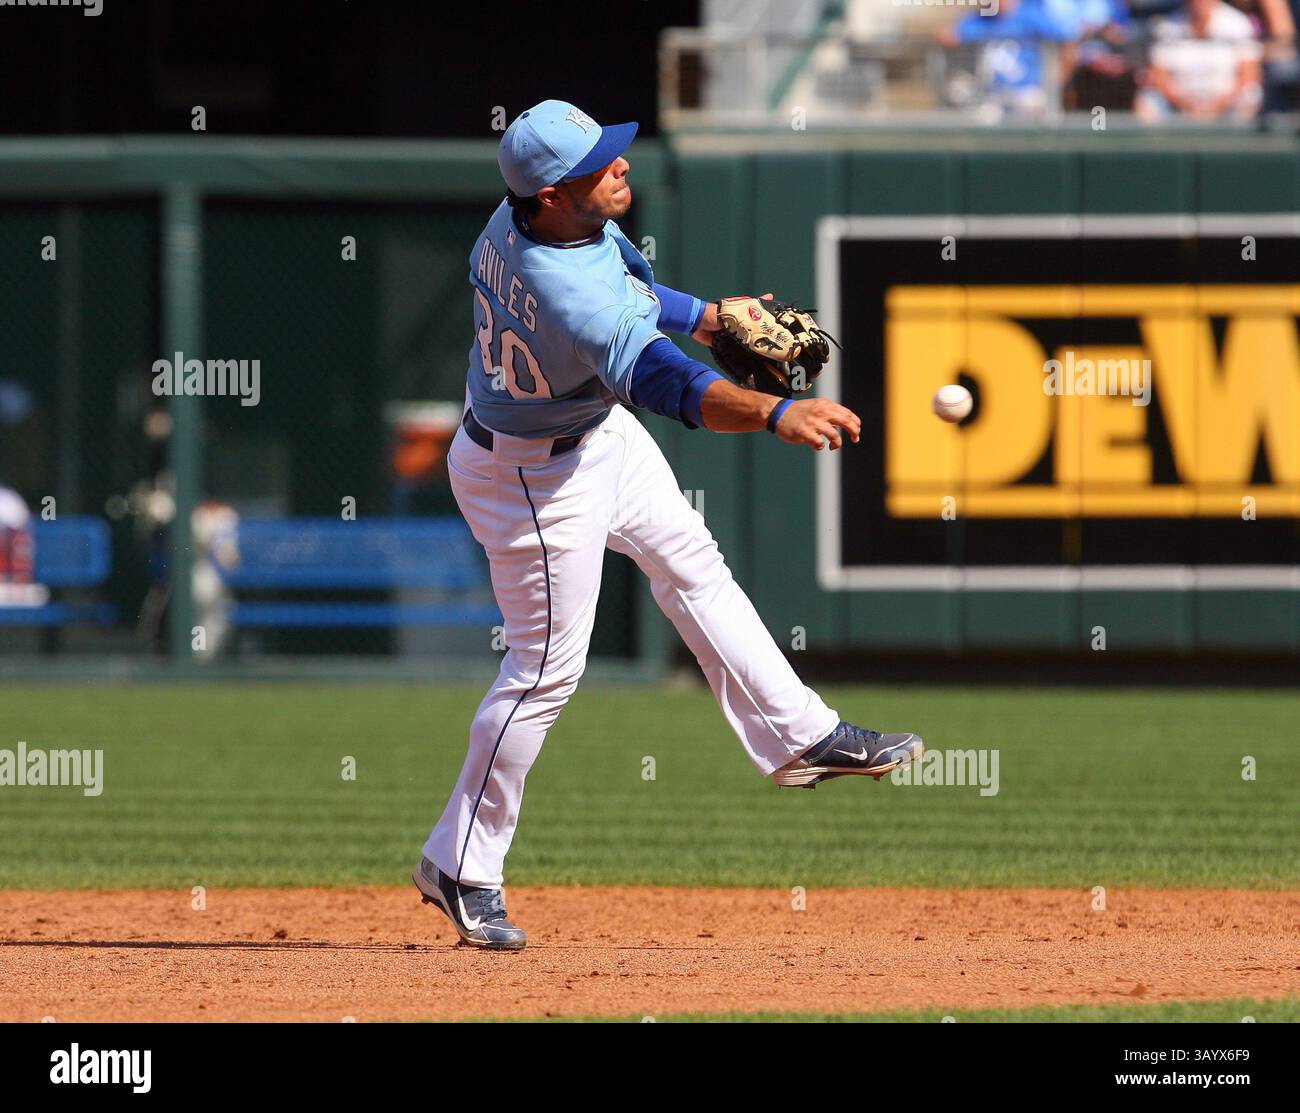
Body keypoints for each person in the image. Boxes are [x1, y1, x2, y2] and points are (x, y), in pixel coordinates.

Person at [412, 100, 924, 950]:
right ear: (547, 195)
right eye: (597, 164)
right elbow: (673, 388)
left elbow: (633, 286)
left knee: (692, 563)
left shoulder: (528, 220)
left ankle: (805, 734)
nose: (620, 165)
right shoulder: (562, 290)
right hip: (533, 478)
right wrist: (773, 411)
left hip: (582, 432)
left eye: (613, 153)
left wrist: (714, 315)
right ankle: (461, 863)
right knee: (543, 675)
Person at [1135, 0, 1264, 120]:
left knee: (1250, 95)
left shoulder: (1238, 23)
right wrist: (1185, 104)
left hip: (1226, 101)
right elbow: (1159, 76)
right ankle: (1155, 144)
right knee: (1148, 99)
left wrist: (1218, 105)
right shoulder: (1166, 27)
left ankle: (1238, 143)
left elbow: (1249, 76)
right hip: (1179, 102)